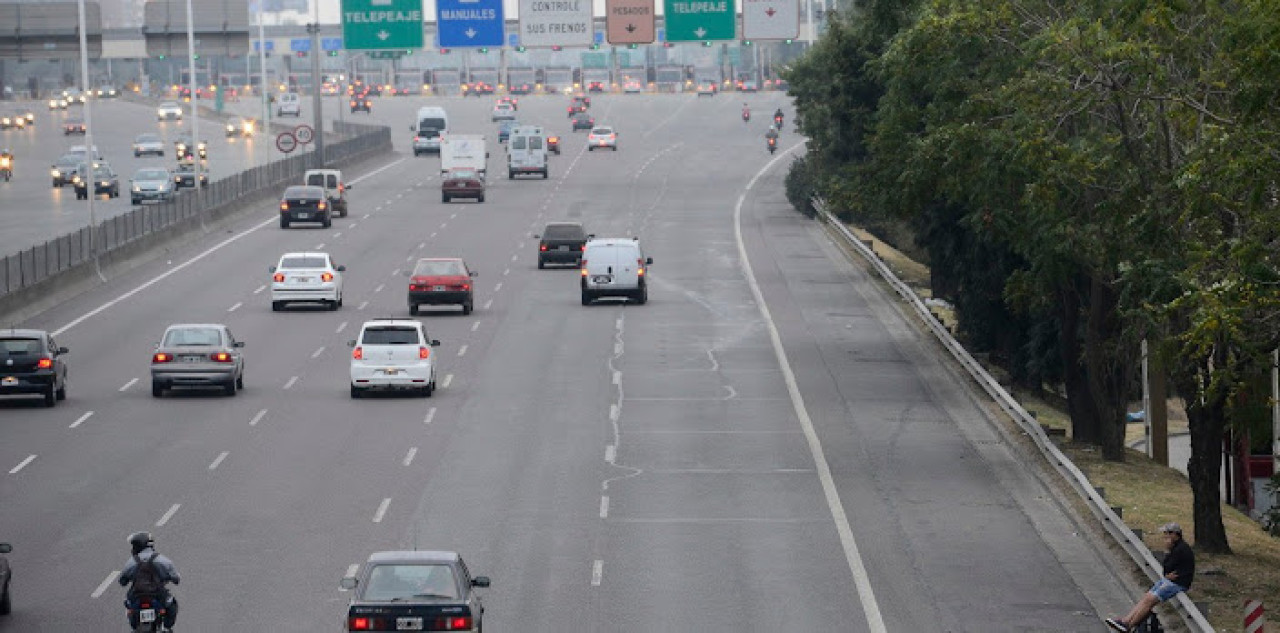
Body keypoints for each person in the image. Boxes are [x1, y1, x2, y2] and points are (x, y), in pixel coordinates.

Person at [1105, 523, 1194, 632]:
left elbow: (1167, 567)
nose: (1165, 536)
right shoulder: (1177, 548)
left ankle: (1129, 625)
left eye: (1168, 533)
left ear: (1175, 535)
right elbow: (1166, 571)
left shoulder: (1180, 549)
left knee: (1150, 601)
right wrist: (1167, 573)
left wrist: (1168, 550)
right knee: (1147, 597)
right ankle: (1125, 620)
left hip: (1177, 583)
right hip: (1170, 580)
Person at [119, 531, 181, 631]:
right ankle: (166, 628)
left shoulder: (131, 562)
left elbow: (122, 581)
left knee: (128, 605)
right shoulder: (162, 560)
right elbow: (176, 578)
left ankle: (134, 628)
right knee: (172, 606)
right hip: (158, 595)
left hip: (136, 597)